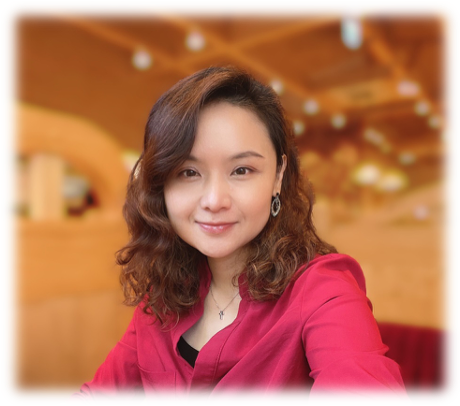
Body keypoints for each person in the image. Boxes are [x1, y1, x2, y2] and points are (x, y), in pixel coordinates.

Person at [63, 66, 411, 404]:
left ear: (278, 176)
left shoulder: (323, 291)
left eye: (242, 170)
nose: (215, 200)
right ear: (161, 184)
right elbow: (96, 398)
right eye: (188, 172)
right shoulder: (161, 296)